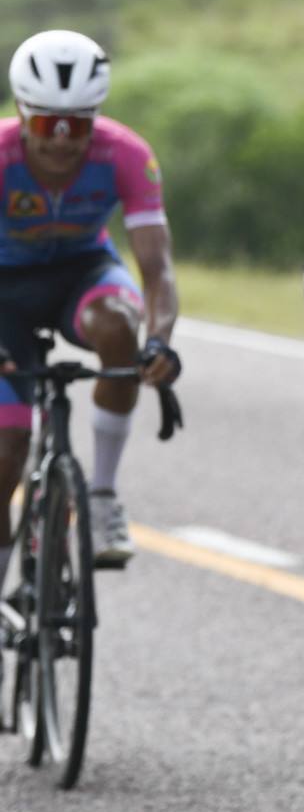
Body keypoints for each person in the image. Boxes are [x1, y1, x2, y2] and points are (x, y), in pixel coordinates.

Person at [0, 29, 180, 585]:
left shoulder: (126, 154)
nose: (60, 141)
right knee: (8, 445)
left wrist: (159, 342)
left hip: (81, 274)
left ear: (95, 118)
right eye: (46, 125)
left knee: (121, 328)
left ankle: (101, 495)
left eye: (76, 125)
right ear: (22, 113)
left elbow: (157, 272)